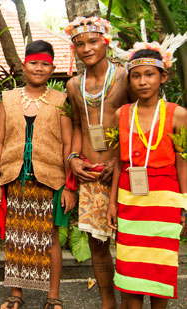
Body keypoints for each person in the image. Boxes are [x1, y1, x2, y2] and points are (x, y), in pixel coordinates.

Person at [0, 41, 76, 309]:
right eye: (34, 63)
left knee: (49, 237)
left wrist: (70, 187)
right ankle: (16, 294)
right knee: (16, 236)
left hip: (50, 179)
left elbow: (68, 146)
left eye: (45, 64)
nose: (39, 68)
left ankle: (53, 296)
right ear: (24, 65)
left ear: (53, 67)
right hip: (15, 178)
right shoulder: (9, 98)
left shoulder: (61, 101)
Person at [107, 35, 187, 309]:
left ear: (163, 77)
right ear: (129, 80)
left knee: (159, 267)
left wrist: (184, 205)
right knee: (130, 269)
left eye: (150, 75)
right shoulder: (122, 114)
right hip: (130, 199)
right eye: (136, 76)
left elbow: (182, 162)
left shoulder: (178, 114)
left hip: (165, 200)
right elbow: (119, 162)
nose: (142, 81)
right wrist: (112, 203)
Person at [64, 17, 130, 308]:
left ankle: (133, 300)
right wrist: (74, 158)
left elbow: (139, 121)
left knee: (130, 243)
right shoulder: (74, 85)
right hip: (91, 174)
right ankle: (107, 302)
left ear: (105, 41)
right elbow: (78, 125)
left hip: (123, 173)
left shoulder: (127, 77)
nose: (87, 48)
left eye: (92, 41)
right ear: (74, 49)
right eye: (80, 44)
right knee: (97, 245)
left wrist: (119, 160)